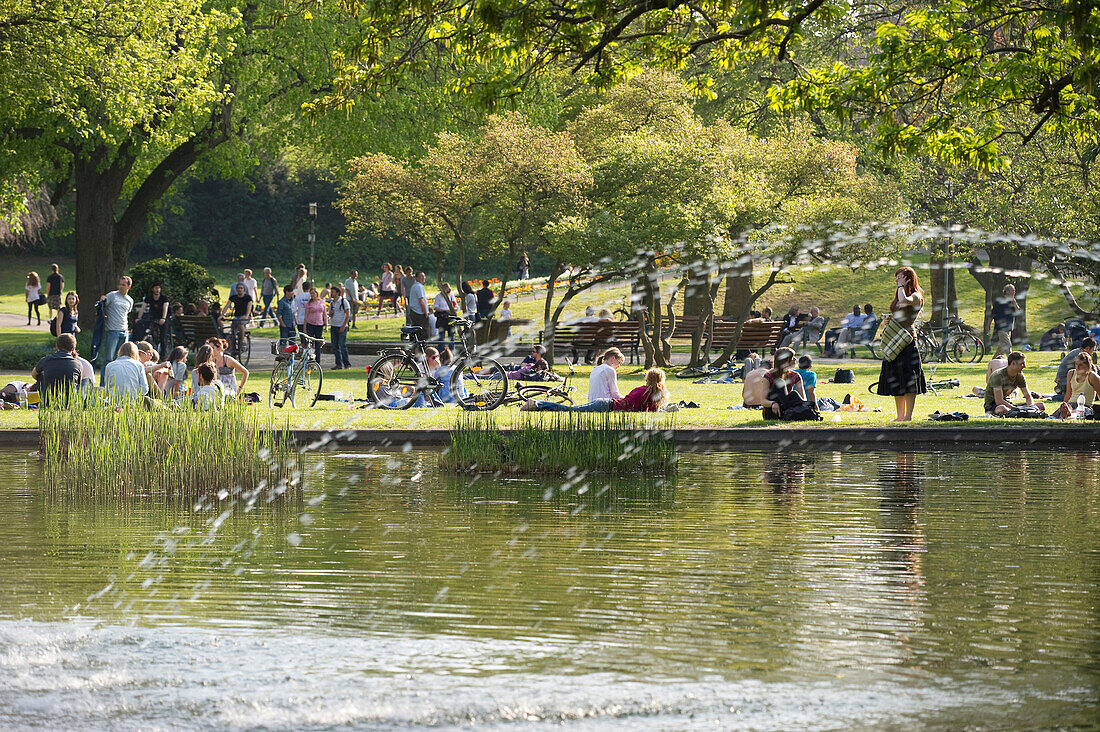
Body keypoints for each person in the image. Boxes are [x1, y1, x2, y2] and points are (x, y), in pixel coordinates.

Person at [877, 266, 927, 421]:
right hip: (894, 340)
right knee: (897, 378)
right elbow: (898, 310)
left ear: (909, 279)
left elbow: (905, 302)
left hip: (907, 342)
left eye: (900, 277)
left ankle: (908, 416)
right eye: (896, 277)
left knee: (909, 378)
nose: (897, 280)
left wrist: (900, 287)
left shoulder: (916, 295)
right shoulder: (900, 293)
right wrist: (889, 320)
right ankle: (900, 416)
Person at [522, 367, 668, 412]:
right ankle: (537, 404)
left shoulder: (643, 390)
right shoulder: (651, 393)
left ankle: (536, 404)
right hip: (605, 405)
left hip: (606, 404)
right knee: (571, 411)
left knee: (572, 410)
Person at [760, 347, 815, 420]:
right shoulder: (768, 376)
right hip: (773, 411)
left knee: (794, 394)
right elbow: (763, 401)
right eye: (792, 357)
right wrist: (773, 403)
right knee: (779, 382)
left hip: (788, 410)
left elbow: (802, 399)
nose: (795, 359)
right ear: (785, 360)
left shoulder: (795, 375)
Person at [98, 276, 134, 384]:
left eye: (123, 285)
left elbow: (126, 314)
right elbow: (102, 307)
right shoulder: (112, 295)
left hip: (124, 331)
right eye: (120, 284)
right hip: (112, 331)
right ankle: (103, 384)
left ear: (129, 286)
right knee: (108, 359)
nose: (120, 286)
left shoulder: (130, 300)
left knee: (123, 360)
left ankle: (119, 383)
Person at [985, 351, 1044, 416]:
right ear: (1013, 363)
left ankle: (1017, 413)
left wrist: (1031, 407)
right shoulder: (998, 376)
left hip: (1008, 404)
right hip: (993, 406)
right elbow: (999, 401)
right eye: (1022, 363)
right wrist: (1015, 409)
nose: (1025, 366)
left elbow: (1028, 396)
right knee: (1003, 409)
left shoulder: (1019, 376)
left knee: (1041, 405)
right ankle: (1016, 413)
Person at [31, 334, 82, 407]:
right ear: (73, 348)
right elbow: (78, 382)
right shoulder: (78, 364)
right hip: (68, 402)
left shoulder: (46, 360)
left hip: (49, 400)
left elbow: (34, 374)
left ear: (57, 346)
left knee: (41, 375)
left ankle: (44, 401)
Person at [1053, 352, 1100, 419]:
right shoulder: (1071, 373)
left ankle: (1068, 414)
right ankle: (1066, 413)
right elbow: (1068, 393)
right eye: (1076, 364)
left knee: (1079, 412)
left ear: (1087, 365)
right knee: (1053, 416)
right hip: (1071, 404)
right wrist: (1064, 404)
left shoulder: (1092, 376)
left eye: (1080, 365)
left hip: (1084, 405)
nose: (1077, 367)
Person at [989, 283, 1021, 357]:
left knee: (1001, 349)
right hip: (1001, 327)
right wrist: (988, 325)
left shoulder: (1012, 302)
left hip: (1009, 328)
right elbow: (992, 314)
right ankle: (1012, 361)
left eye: (1014, 290)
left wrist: (1014, 301)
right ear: (1006, 291)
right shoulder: (999, 301)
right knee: (1007, 345)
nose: (1014, 292)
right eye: (1012, 290)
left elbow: (1018, 312)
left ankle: (993, 362)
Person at [139, 282, 170, 350]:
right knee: (149, 332)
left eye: (159, 288)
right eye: (156, 288)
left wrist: (163, 318)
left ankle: (163, 355)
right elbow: (142, 308)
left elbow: (165, 308)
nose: (158, 290)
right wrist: (139, 317)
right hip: (153, 317)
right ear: (152, 289)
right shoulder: (149, 297)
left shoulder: (164, 298)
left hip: (162, 318)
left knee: (163, 336)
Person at [224, 282, 253, 352]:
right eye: (238, 288)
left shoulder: (248, 298)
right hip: (236, 317)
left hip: (245, 316)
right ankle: (231, 346)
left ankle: (243, 340)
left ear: (244, 289)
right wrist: (222, 315)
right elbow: (227, 306)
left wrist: (246, 316)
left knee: (240, 324)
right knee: (232, 331)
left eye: (241, 288)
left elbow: (249, 307)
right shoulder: (233, 297)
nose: (239, 289)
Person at [329, 283, 351, 370]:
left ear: (338, 293)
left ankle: (347, 364)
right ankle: (338, 364)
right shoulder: (332, 302)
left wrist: (343, 325)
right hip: (334, 325)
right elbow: (331, 314)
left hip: (342, 326)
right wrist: (330, 314)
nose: (331, 294)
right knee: (335, 346)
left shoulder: (344, 301)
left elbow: (348, 314)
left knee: (342, 345)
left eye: (333, 292)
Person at [406, 271, 431, 336]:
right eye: (421, 277)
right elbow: (421, 301)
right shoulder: (418, 286)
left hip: (414, 312)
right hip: (419, 313)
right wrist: (426, 313)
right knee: (424, 333)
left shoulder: (415, 286)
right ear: (417, 278)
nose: (423, 278)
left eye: (424, 276)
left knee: (416, 333)